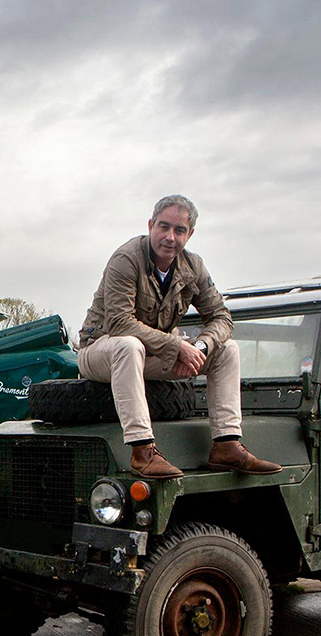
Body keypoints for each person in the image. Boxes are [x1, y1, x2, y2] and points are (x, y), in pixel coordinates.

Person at [78, 195, 281, 479]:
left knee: (227, 350)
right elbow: (120, 322)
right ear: (151, 225)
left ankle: (227, 445)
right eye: (164, 227)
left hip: (152, 356)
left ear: (190, 234)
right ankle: (142, 450)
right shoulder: (126, 259)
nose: (170, 237)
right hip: (101, 352)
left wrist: (198, 347)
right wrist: (176, 346)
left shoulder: (193, 266)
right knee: (128, 344)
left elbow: (222, 317)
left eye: (179, 230)